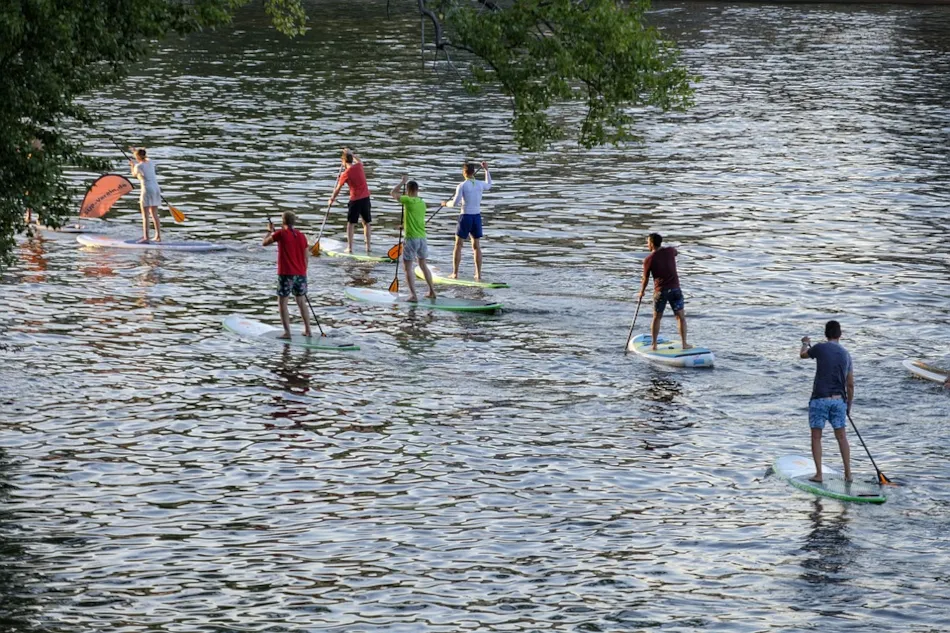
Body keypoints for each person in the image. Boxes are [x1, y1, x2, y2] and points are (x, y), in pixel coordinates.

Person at [799, 320, 853, 483]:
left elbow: (803, 355)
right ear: (840, 335)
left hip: (819, 399)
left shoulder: (820, 348)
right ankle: (848, 474)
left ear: (825, 334)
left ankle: (819, 475)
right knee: (842, 437)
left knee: (816, 437)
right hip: (838, 401)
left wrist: (805, 343)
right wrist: (848, 406)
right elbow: (850, 384)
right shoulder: (846, 354)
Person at [263, 212, 312, 339]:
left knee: (282, 303)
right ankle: (308, 330)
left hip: (286, 273)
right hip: (301, 273)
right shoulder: (302, 236)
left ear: (283, 222)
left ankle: (287, 333)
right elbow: (306, 257)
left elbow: (264, 243)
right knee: (301, 301)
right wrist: (303, 271)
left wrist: (269, 231)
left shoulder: (280, 234)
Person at [637, 233, 690, 351]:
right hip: (675, 290)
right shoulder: (670, 251)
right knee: (680, 317)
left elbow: (645, 279)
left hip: (661, 291)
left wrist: (642, 292)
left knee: (657, 317)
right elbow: (676, 252)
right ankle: (684, 344)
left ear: (651, 243)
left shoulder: (648, 259)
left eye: (647, 242)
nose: (647, 245)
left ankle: (654, 345)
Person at [390, 176, 436, 302]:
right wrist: (403, 225)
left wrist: (402, 182)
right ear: (417, 190)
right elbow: (414, 218)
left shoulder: (408, 200)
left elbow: (393, 193)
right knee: (423, 265)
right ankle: (432, 291)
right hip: (422, 238)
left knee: (407, 267)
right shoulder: (422, 203)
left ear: (408, 190)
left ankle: (413, 295)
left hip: (411, 239)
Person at [443, 161, 491, 281]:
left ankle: (455, 273)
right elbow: (489, 185)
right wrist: (486, 170)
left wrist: (445, 204)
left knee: (458, 245)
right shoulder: (480, 184)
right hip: (476, 217)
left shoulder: (462, 185)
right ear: (473, 172)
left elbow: (454, 203)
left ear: (464, 172)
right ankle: (478, 275)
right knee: (476, 246)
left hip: (465, 217)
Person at [328, 148, 372, 254]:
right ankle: (368, 247)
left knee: (351, 224)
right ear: (352, 159)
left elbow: (338, 189)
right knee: (366, 222)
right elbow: (359, 161)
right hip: (366, 198)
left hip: (355, 200)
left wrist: (331, 199)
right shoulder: (359, 166)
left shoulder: (345, 174)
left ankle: (350, 247)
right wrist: (351, 153)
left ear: (343, 161)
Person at [129, 147, 162, 243]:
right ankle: (158, 236)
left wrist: (132, 165)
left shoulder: (138, 166)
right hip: (156, 188)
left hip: (147, 190)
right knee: (154, 214)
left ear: (137, 157)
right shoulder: (150, 162)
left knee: (145, 215)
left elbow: (134, 175)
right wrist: (135, 151)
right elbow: (145, 160)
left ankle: (146, 237)